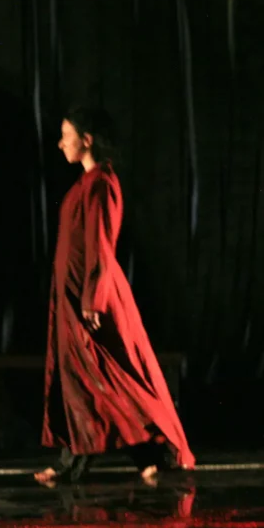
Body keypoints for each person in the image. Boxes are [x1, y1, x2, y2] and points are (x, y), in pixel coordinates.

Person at [35, 105, 195, 486]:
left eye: (66, 135)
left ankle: (149, 452)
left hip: (90, 298)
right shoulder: (84, 184)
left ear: (87, 140)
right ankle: (124, 458)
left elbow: (101, 245)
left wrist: (94, 297)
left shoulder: (102, 184)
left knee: (108, 377)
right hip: (73, 296)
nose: (60, 143)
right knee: (83, 379)